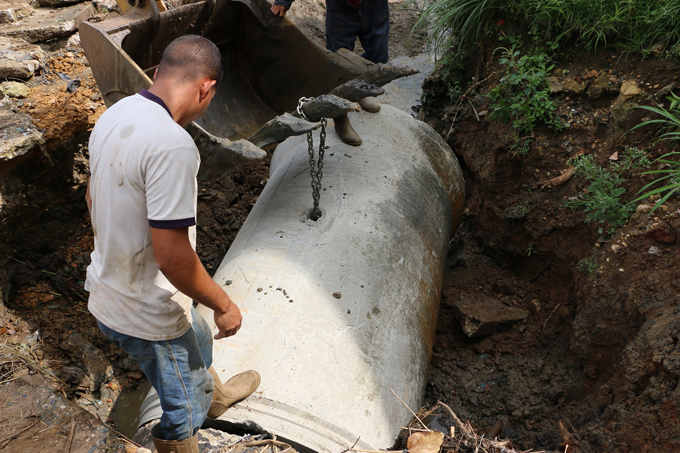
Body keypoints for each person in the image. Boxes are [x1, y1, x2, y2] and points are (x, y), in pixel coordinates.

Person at [85, 35, 260, 453]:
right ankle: (180, 438)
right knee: (182, 406)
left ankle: (213, 397)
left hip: (109, 285)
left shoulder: (117, 113)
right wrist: (224, 304)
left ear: (159, 72)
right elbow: (172, 257)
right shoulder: (173, 144)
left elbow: (92, 196)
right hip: (142, 310)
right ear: (206, 87)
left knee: (197, 336)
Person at [271, 0, 388, 146]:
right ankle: (341, 119)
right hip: (341, 7)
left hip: (375, 6)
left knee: (379, 56)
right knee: (337, 65)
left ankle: (358, 91)